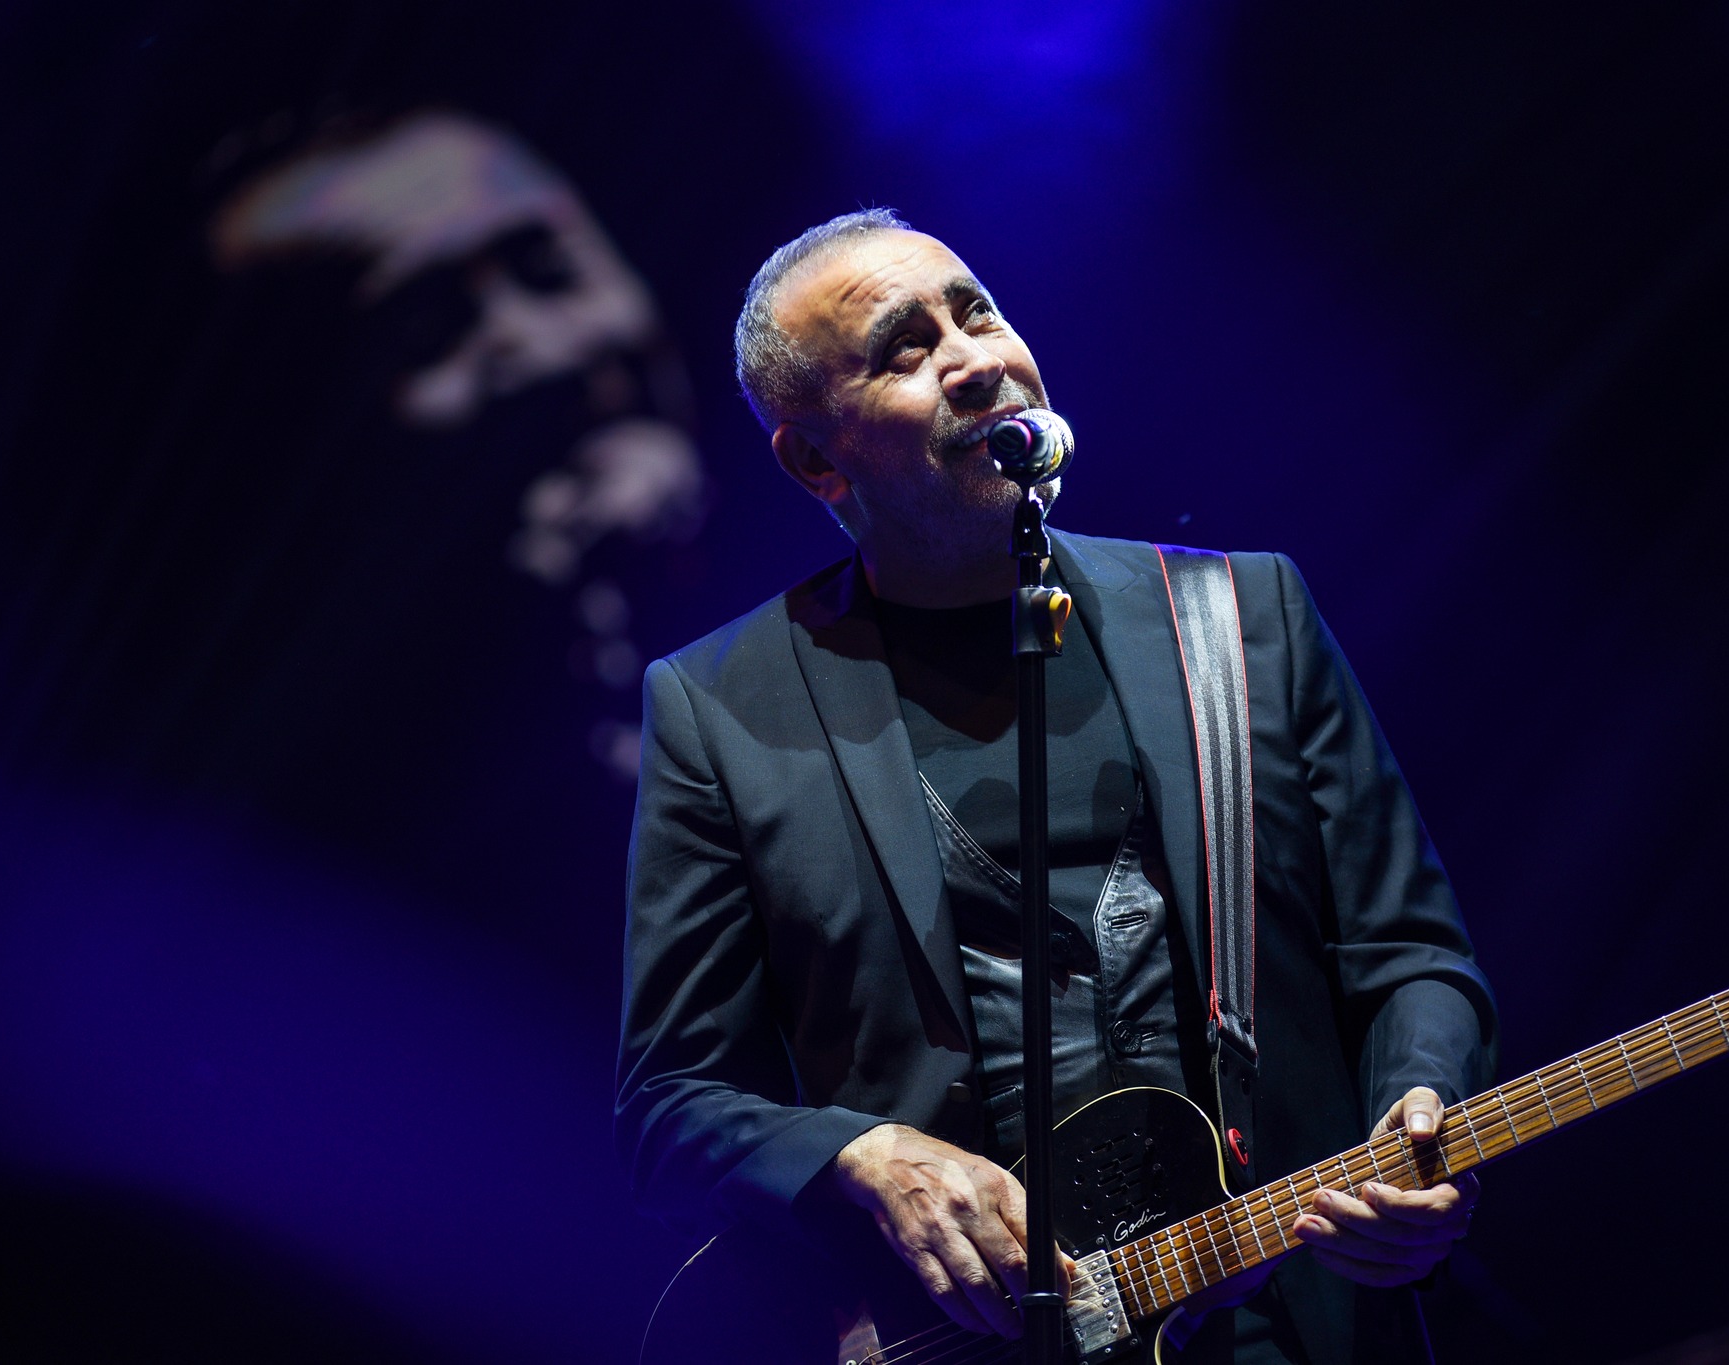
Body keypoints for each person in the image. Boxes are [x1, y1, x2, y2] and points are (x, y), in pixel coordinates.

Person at [615, 210, 1497, 1363]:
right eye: (903, 350)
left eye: (975, 313)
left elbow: (1407, 954)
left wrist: (1417, 1115)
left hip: (1293, 1324)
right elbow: (672, 1106)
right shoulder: (722, 706)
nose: (972, 359)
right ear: (815, 461)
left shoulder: (1242, 620)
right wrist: (860, 1156)